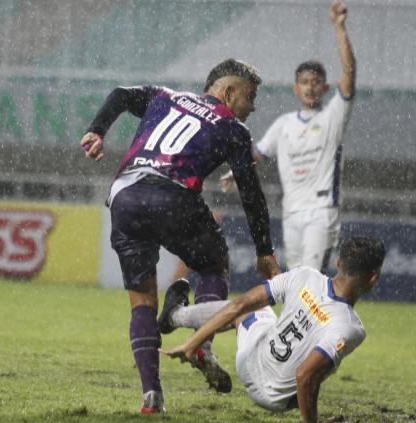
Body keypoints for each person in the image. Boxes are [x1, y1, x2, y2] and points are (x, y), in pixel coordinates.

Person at [79, 58, 281, 414]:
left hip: (126, 194)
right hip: (172, 195)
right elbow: (251, 194)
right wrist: (265, 250)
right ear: (229, 92)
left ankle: (151, 396)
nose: (253, 106)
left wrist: (98, 130)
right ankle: (202, 345)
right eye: (250, 96)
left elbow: (122, 95)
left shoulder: (163, 97)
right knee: (215, 263)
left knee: (142, 301)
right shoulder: (234, 129)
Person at [160, 236, 385, 423]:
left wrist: (192, 343)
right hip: (277, 399)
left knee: (247, 310)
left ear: (337, 263)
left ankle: (175, 316)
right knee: (316, 365)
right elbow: (305, 376)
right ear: (374, 279)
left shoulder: (304, 276)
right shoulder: (351, 327)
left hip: (248, 363)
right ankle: (179, 323)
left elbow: (238, 305)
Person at [221, 0, 356, 273]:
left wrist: (339, 28)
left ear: (325, 87)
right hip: (291, 212)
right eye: (305, 82)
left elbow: (349, 74)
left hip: (322, 210)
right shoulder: (283, 125)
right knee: (295, 279)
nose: (310, 87)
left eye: (316, 82)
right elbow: (256, 154)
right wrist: (235, 172)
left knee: (311, 278)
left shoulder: (333, 117)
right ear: (296, 88)